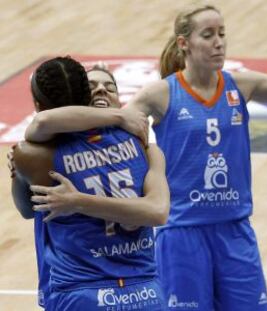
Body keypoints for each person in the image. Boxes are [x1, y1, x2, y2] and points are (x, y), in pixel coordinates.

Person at [23, 6, 267, 311]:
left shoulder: (241, 85)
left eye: (222, 33)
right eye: (209, 35)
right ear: (185, 43)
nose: (219, 43)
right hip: (182, 234)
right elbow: (94, 123)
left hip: (234, 229)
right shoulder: (160, 94)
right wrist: (106, 118)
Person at [11, 56, 169, 310]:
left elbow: (26, 209)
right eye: (93, 85)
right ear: (85, 100)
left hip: (82, 290)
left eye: (110, 86)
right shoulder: (143, 147)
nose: (101, 90)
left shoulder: (39, 152)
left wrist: (76, 201)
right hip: (144, 291)